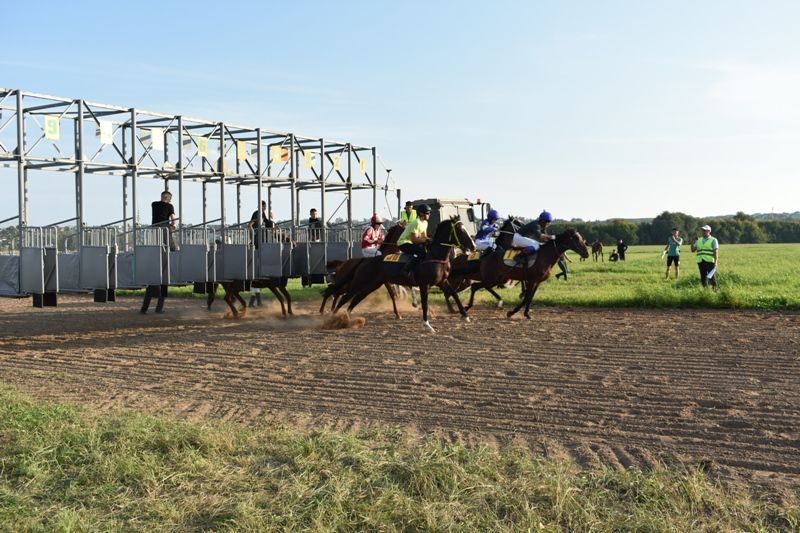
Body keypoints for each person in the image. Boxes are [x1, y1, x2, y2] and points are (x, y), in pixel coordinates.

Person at [141, 191, 175, 314]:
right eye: (170, 199)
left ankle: (144, 309)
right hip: (165, 232)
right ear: (168, 198)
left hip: (154, 234)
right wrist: (173, 225)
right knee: (173, 251)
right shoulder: (170, 206)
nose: (170, 201)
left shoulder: (154, 204)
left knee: (152, 287)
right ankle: (158, 309)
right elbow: (173, 217)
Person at [691, 224, 719, 289]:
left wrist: (716, 262)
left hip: (710, 261)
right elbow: (693, 250)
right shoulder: (699, 240)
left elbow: (715, 252)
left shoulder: (714, 240)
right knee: (703, 277)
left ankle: (715, 290)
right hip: (701, 261)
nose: (703, 231)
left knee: (712, 277)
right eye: (702, 230)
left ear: (709, 231)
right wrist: (692, 242)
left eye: (705, 230)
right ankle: (705, 291)